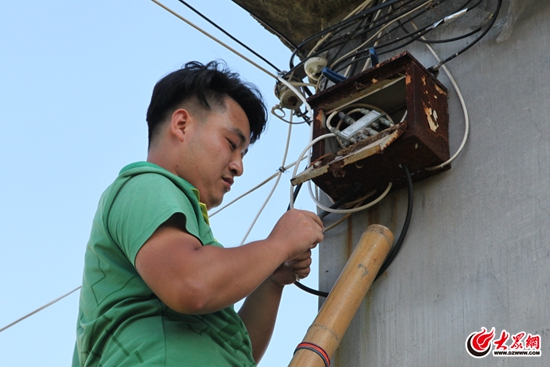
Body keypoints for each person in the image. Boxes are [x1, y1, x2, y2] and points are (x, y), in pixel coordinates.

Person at [72, 61, 324, 366]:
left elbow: (231, 351)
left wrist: (272, 279)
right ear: (181, 125)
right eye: (232, 144)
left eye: (242, 154)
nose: (238, 166)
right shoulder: (145, 185)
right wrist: (279, 244)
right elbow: (191, 286)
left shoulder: (187, 236)